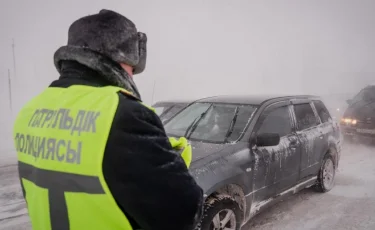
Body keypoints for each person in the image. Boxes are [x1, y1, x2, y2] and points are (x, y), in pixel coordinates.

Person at [13, 9, 203, 230]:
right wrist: (173, 162)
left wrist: (147, 152)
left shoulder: (31, 111)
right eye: (133, 68)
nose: (132, 75)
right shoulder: (124, 113)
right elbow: (183, 213)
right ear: (119, 59)